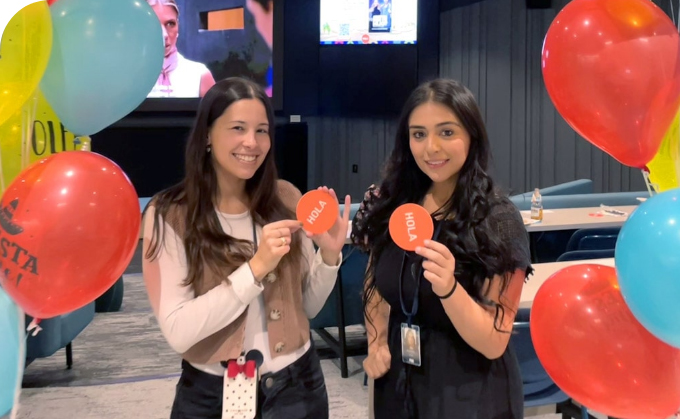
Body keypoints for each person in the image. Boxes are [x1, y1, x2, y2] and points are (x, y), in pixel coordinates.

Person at [142, 77, 350, 419]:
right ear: (207, 134)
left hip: (298, 387)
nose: (251, 143)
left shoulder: (285, 199)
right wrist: (255, 269)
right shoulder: (169, 214)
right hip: (211, 395)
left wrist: (328, 257)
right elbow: (179, 333)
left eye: (262, 130)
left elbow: (308, 308)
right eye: (238, 128)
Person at [352, 78, 532, 418]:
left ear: (471, 137)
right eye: (418, 134)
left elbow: (494, 341)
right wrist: (376, 341)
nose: (431, 147)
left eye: (447, 132)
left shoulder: (498, 220)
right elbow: (376, 282)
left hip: (471, 396)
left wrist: (449, 289)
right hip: (400, 389)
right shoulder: (395, 204)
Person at [146, 0, 216, 98]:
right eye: (153, 23)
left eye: (170, 24)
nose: (164, 34)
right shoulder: (127, 78)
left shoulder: (199, 75)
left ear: (178, 25)